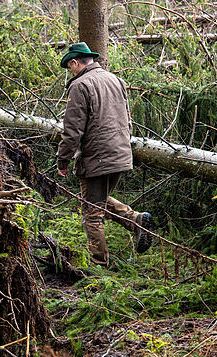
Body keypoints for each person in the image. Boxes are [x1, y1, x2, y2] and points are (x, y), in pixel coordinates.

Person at [56, 42, 154, 267]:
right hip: (120, 153)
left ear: (75, 62)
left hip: (97, 157)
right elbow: (127, 120)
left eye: (70, 67)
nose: (70, 72)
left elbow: (72, 131)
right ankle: (134, 220)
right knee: (95, 200)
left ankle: (98, 267)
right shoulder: (115, 80)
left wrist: (63, 160)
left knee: (92, 213)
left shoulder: (80, 85)